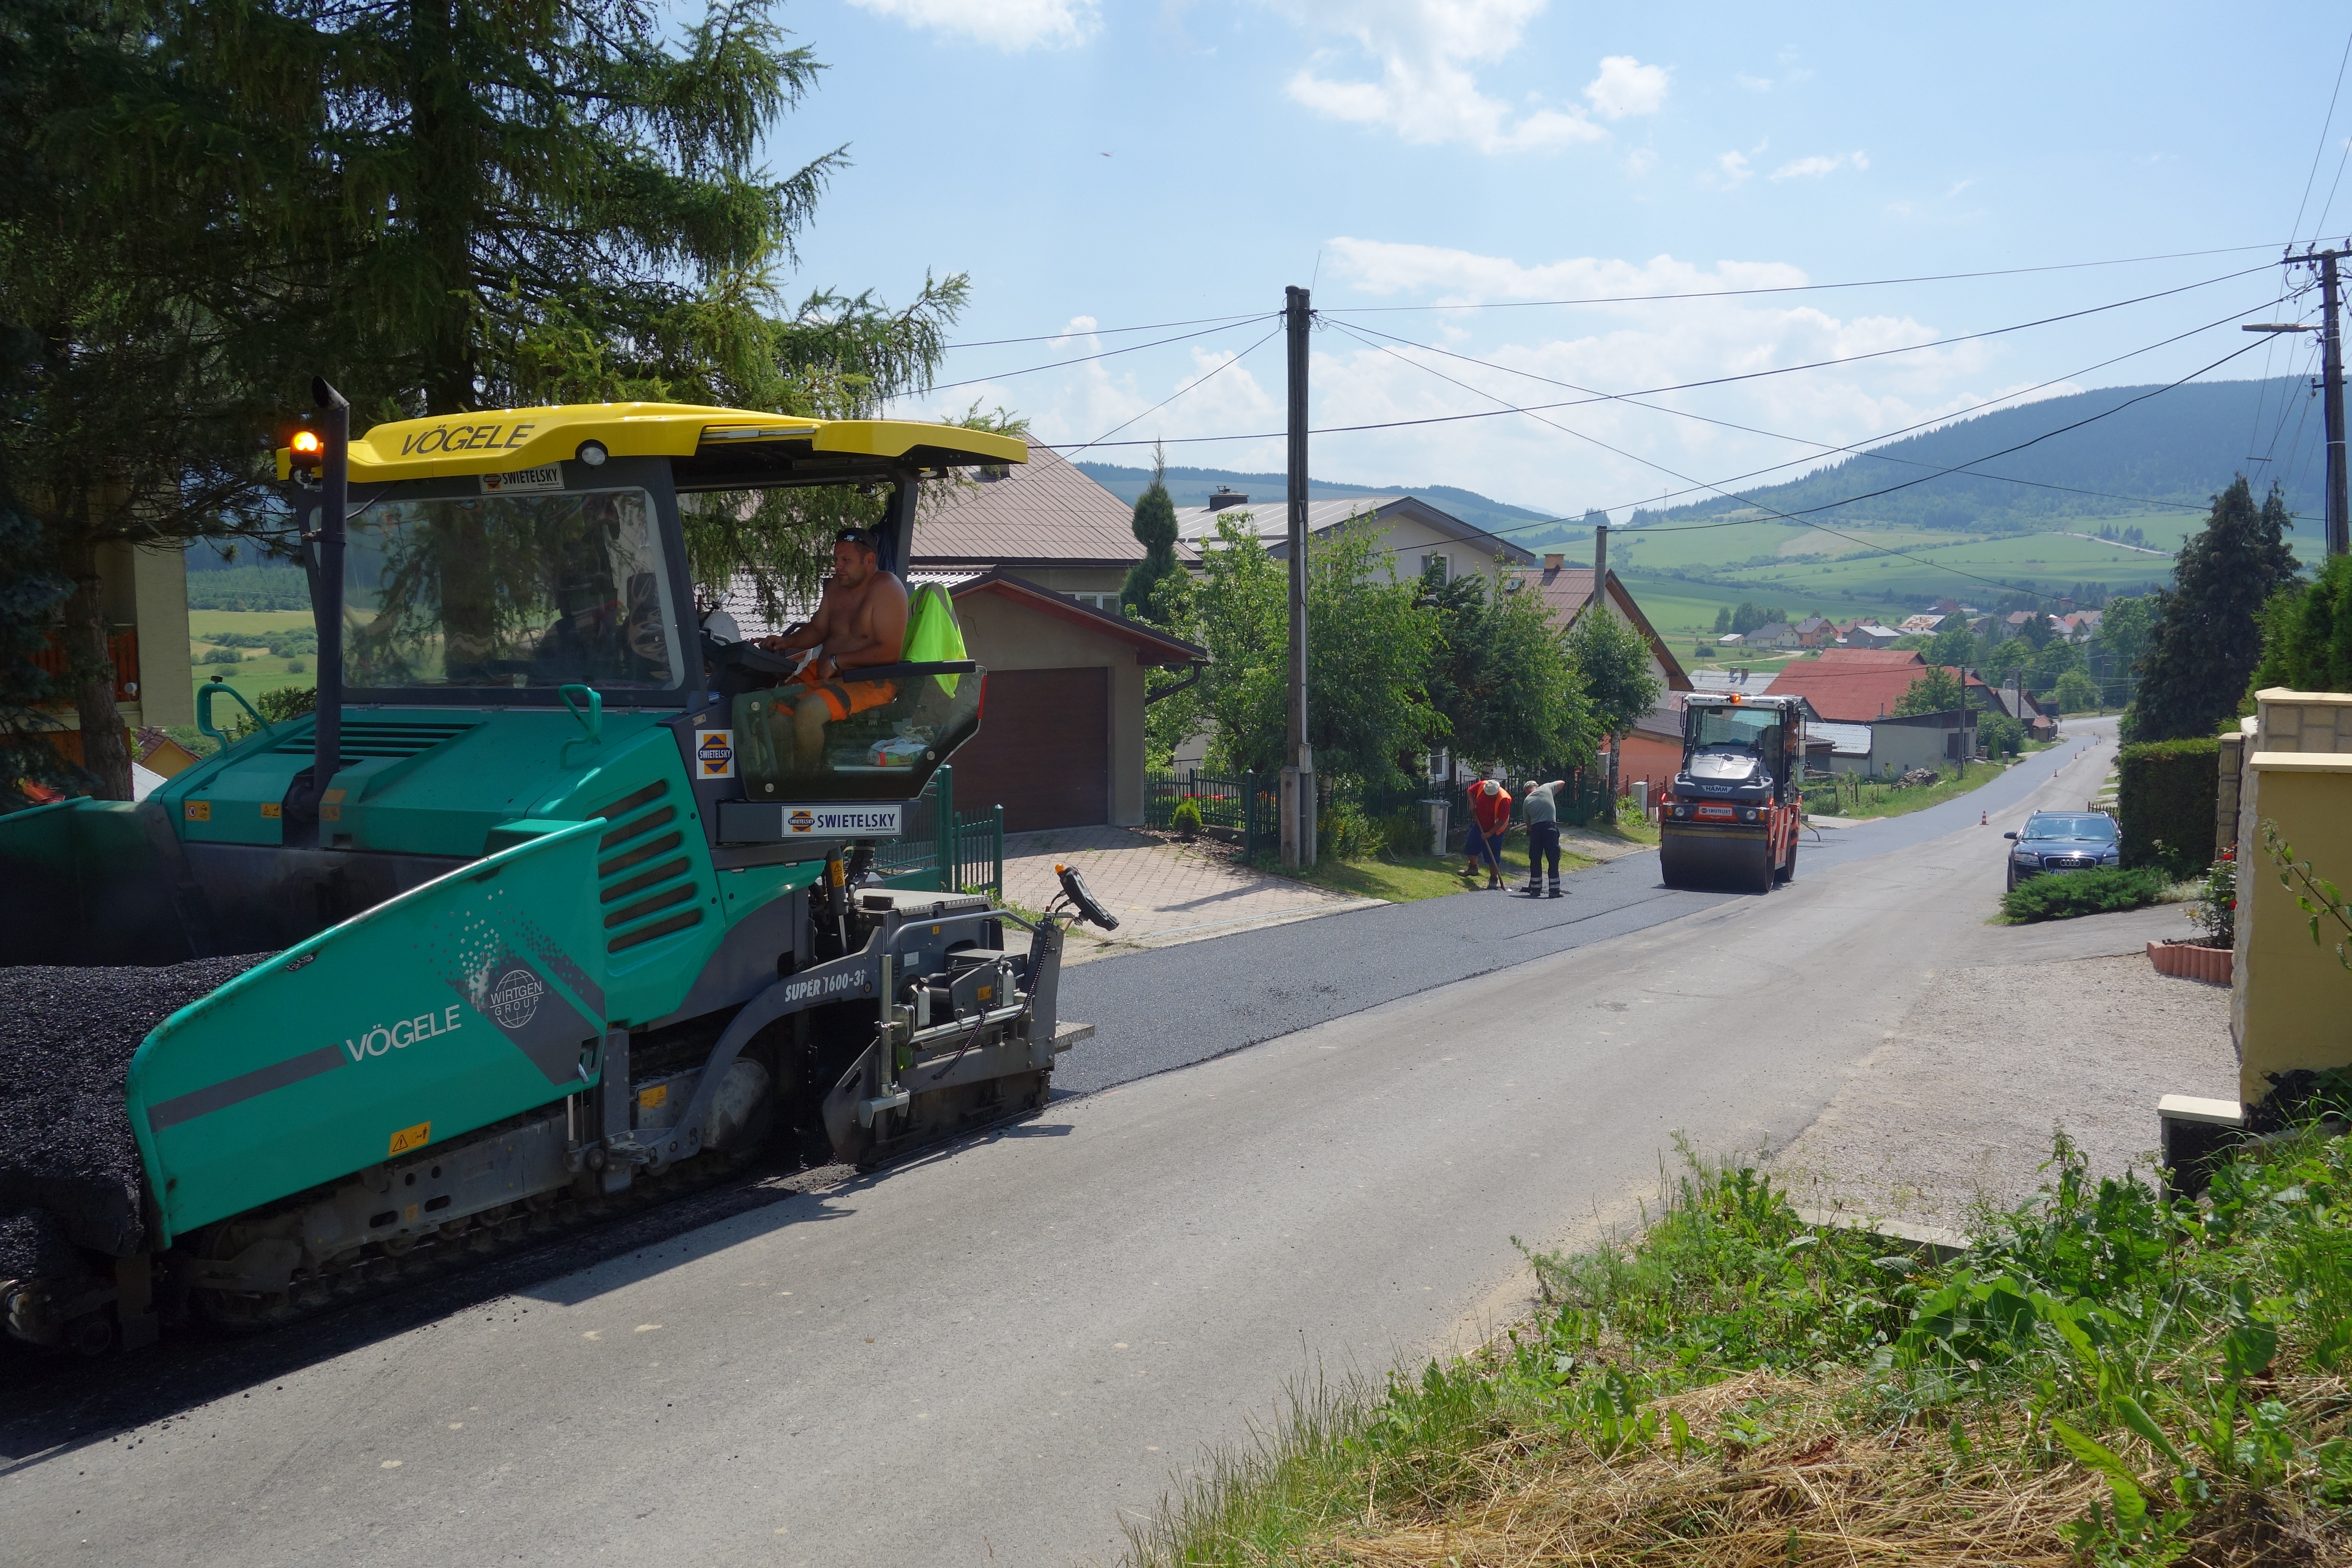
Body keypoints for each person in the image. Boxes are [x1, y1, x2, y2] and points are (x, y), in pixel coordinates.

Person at [756, 528, 909, 770]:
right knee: (769, 711)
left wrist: (838, 662)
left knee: (808, 714)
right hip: (825, 675)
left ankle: (807, 784)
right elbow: (818, 629)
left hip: (870, 680)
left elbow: (890, 654)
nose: (838, 566)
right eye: (836, 559)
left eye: (846, 560)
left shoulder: (888, 588)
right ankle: (786, 779)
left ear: (869, 561)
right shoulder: (836, 588)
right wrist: (787, 642)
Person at [1520, 778, 1567, 899]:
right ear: (1537, 786)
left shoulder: (1526, 801)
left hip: (1536, 830)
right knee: (1553, 859)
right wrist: (1553, 793)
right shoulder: (1546, 788)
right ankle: (1554, 890)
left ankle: (1536, 889)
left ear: (1526, 791)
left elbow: (1529, 826)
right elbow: (1562, 783)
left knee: (1535, 859)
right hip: (1550, 828)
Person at [1463, 777, 1513, 890]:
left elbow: (1502, 821)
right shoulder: (1482, 786)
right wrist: (1472, 804)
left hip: (1496, 829)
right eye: (1489, 795)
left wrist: (1490, 833)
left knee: (1493, 855)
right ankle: (1473, 868)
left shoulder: (1504, 799)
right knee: (1471, 845)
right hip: (1479, 824)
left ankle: (1493, 879)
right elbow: (1470, 791)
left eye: (1492, 796)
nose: (1490, 797)